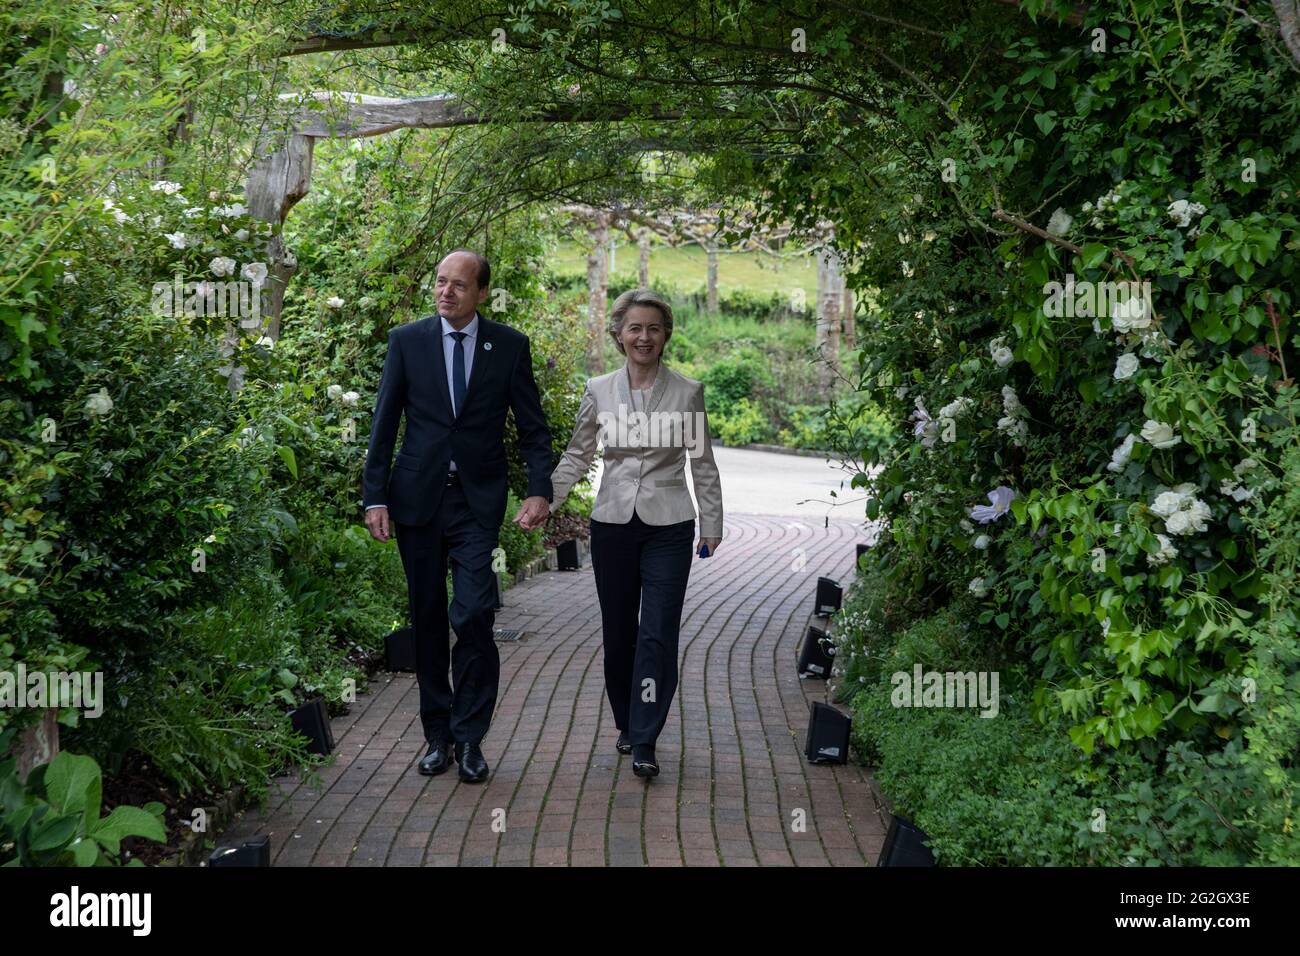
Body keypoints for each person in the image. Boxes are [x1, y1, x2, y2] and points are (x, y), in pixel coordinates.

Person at [362, 249, 553, 784]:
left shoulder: (508, 346)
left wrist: (539, 491)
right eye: (441, 282)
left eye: (459, 285)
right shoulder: (407, 341)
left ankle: (470, 738)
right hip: (417, 500)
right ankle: (437, 736)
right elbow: (384, 424)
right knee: (426, 618)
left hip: (476, 502)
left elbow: (533, 429)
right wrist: (374, 497)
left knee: (472, 615)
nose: (446, 292)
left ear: (482, 293)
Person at [528, 288, 723, 779]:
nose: (644, 337)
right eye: (635, 328)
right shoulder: (599, 389)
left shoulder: (687, 391)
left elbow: (702, 462)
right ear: (619, 334)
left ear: (666, 335)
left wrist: (711, 523)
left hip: (669, 526)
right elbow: (578, 454)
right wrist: (546, 499)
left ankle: (645, 736)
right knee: (619, 634)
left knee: (657, 632)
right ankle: (626, 720)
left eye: (654, 328)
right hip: (612, 525)